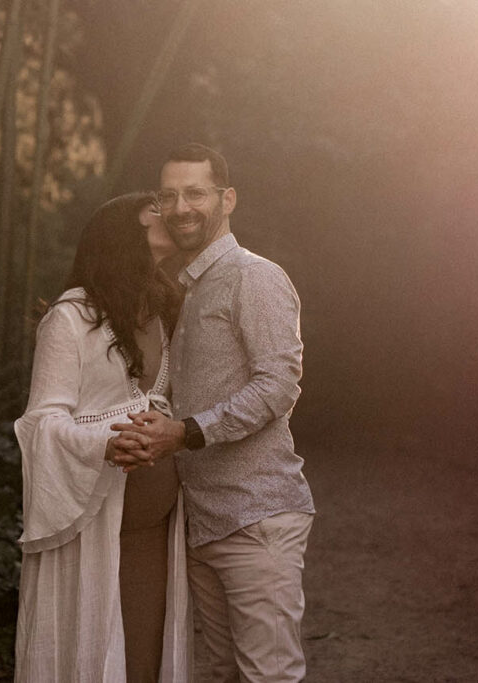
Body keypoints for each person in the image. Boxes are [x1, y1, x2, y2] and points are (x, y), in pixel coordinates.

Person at [110, 144, 316, 681]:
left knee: (267, 675)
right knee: (221, 673)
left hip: (255, 515)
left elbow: (277, 385)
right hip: (202, 521)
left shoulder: (255, 276)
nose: (181, 207)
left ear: (227, 199)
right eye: (169, 195)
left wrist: (186, 432)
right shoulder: (182, 288)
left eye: (195, 193)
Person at [14, 192, 191, 683]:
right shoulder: (70, 318)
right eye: (156, 209)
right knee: (95, 654)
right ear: (123, 232)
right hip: (92, 523)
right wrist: (106, 446)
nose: (171, 213)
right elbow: (42, 423)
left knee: (144, 655)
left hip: (155, 527)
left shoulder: (164, 311)